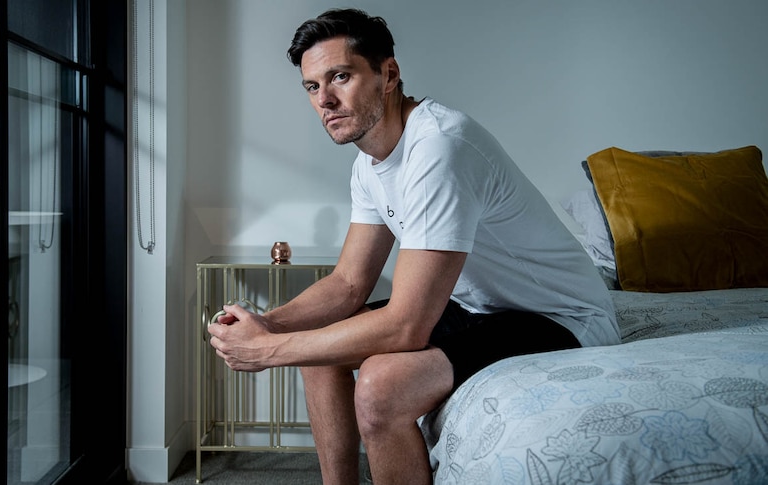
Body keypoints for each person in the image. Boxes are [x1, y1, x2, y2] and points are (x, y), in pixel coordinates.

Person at [208, 8, 621, 485]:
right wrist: (267, 324)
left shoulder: (441, 147)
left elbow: (406, 325)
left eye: (340, 76)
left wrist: (267, 351)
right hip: (477, 307)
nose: (326, 100)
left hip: (559, 316)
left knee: (381, 388)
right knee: (319, 356)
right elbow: (347, 284)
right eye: (313, 86)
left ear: (388, 74)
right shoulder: (370, 161)